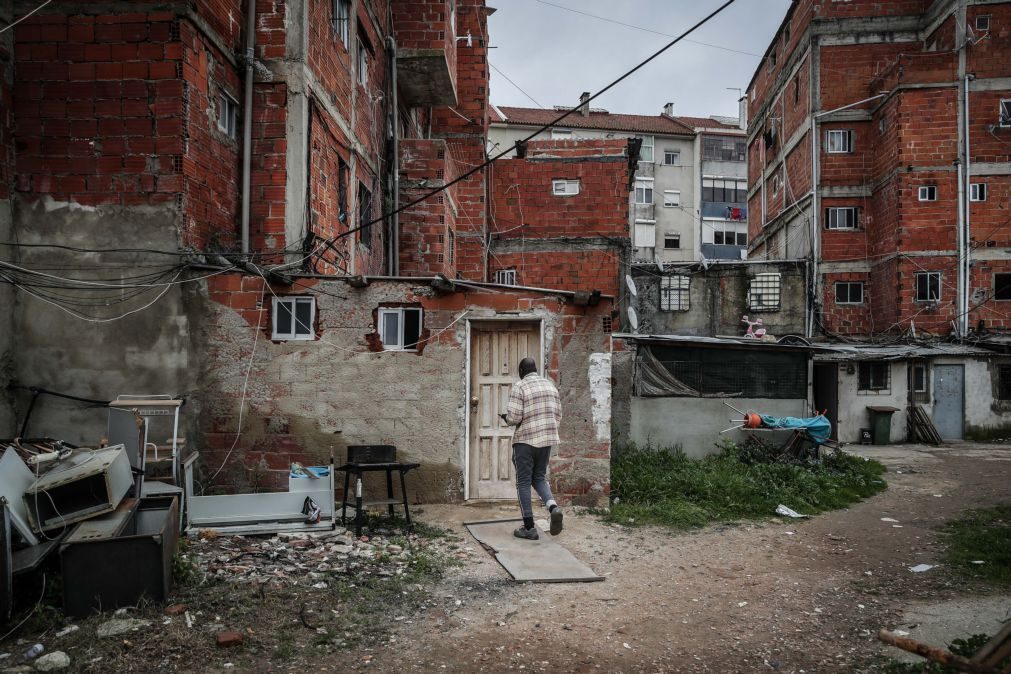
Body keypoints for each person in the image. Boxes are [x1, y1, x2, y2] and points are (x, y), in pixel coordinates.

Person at [500, 357, 563, 541]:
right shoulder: (550, 386)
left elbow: (514, 417)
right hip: (546, 441)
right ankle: (553, 508)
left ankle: (529, 528)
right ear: (535, 369)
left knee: (523, 482)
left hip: (525, 442)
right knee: (539, 477)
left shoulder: (520, 386)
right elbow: (558, 415)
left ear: (521, 371)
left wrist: (505, 418)